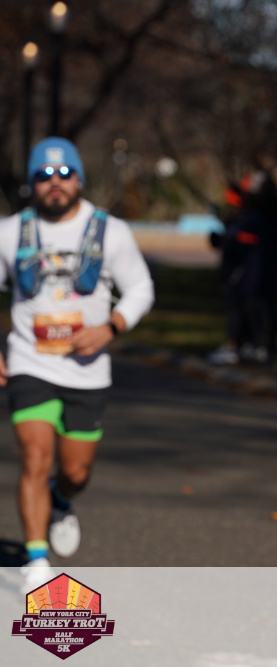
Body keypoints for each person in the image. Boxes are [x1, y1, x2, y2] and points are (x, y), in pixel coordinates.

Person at [0, 137, 155, 593]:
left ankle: (61, 500)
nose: (55, 182)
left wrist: (111, 327)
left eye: (64, 173)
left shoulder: (110, 231)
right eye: (44, 175)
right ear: (32, 183)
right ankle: (36, 559)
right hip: (30, 362)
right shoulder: (10, 232)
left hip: (87, 371)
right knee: (35, 456)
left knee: (75, 473)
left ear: (79, 180)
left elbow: (141, 288)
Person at [207, 170, 277, 365]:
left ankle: (244, 345)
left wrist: (227, 240)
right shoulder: (269, 216)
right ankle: (255, 346)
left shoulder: (255, 217)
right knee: (260, 308)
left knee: (248, 307)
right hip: (264, 268)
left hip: (252, 270)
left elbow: (242, 239)